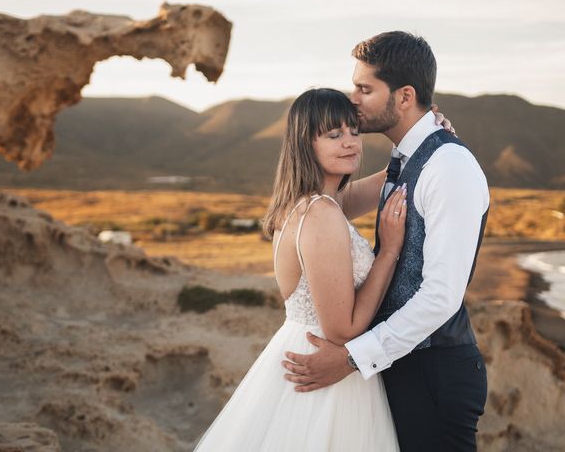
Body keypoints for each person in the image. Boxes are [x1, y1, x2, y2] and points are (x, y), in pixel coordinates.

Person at [282, 31, 490, 451]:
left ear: (404, 95)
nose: (353, 99)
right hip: (396, 365)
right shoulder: (406, 161)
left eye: (364, 88)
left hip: (434, 370)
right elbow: (332, 205)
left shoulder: (449, 166)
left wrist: (353, 358)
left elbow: (441, 296)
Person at [193, 87, 415, 451]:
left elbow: (377, 185)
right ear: (304, 144)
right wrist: (389, 251)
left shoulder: (306, 204)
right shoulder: (321, 214)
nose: (350, 143)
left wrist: (417, 144)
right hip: (324, 366)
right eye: (333, 134)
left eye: (354, 132)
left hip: (299, 351)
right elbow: (341, 330)